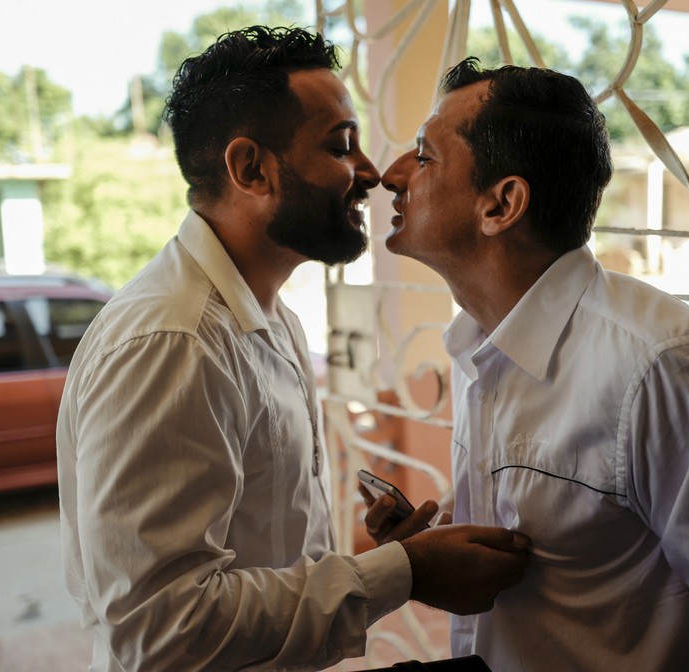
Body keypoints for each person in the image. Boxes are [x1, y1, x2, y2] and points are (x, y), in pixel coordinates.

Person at [367, 57, 689, 671]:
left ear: (501, 205)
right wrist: (429, 559)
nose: (390, 175)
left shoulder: (664, 371)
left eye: (423, 156)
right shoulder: (481, 348)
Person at [56, 30, 531, 672]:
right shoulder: (173, 341)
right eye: (340, 146)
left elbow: (264, 551)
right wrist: (403, 573)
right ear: (251, 168)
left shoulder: (270, 319)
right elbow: (162, 629)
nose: (370, 173)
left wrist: (394, 560)